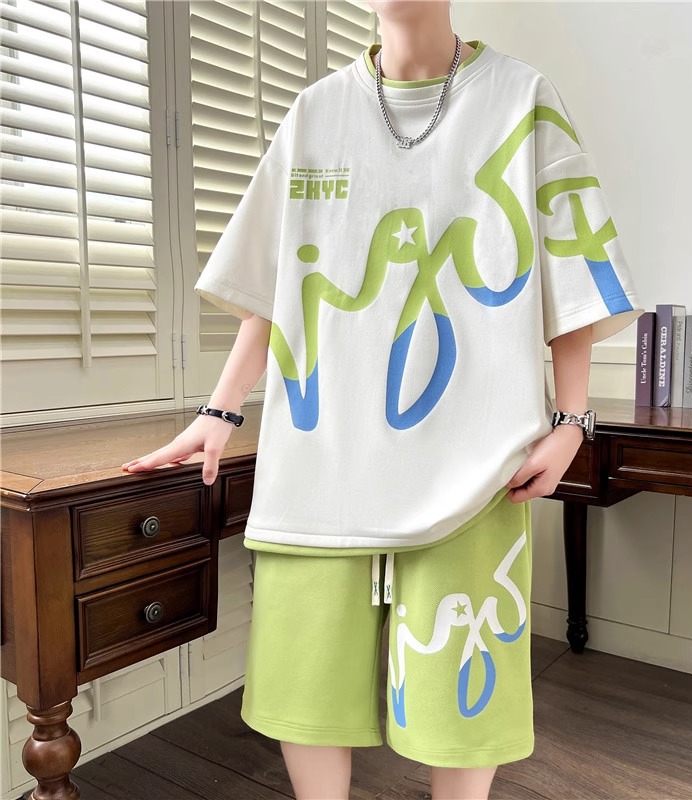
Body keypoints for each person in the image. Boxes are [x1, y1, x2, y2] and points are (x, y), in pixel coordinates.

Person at [122, 1, 644, 797]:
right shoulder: (315, 113)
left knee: (460, 701)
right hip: (319, 460)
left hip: (476, 462)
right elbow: (278, 283)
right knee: (305, 691)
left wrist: (571, 422)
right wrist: (219, 410)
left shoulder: (521, 98)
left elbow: (570, 266)